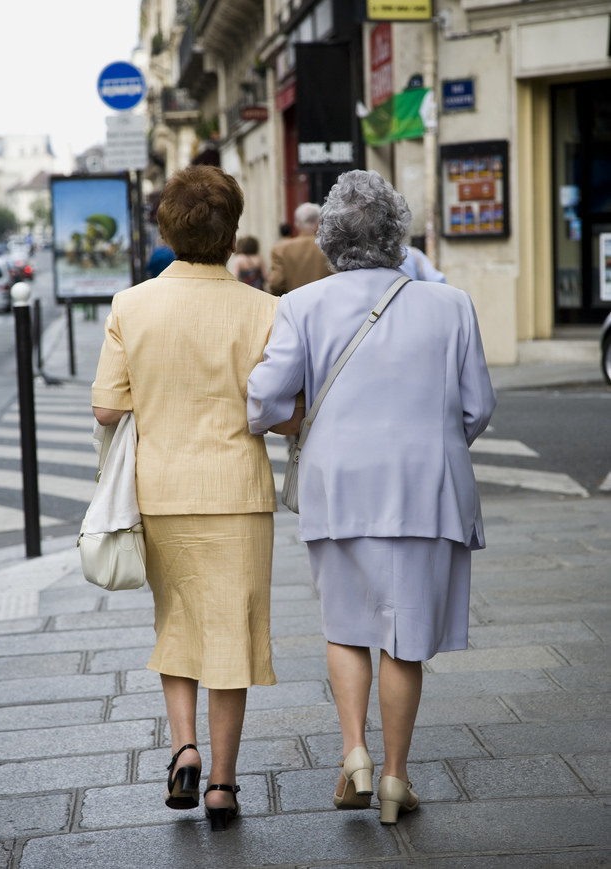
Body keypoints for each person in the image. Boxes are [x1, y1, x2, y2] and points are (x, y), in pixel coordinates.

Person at [247, 170, 496, 825]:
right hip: (426, 490)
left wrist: (312, 425)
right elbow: (478, 408)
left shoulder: (301, 306)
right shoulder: (452, 305)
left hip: (339, 486)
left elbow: (264, 402)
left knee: (347, 626)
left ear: (328, 238)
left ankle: (353, 752)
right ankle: (393, 777)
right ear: (397, 237)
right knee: (405, 640)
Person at [91, 165, 297, 832]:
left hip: (162, 491)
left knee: (176, 623)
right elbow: (285, 413)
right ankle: (222, 785)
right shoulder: (265, 309)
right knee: (230, 634)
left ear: (166, 228)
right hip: (238, 493)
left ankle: (183, 747)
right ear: (232, 235)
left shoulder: (131, 305)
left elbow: (105, 407)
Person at [268, 202, 332, 295]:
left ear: (296, 224)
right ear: (318, 223)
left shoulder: (280, 249)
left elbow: (275, 284)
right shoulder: (329, 247)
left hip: (293, 306)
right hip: (324, 305)